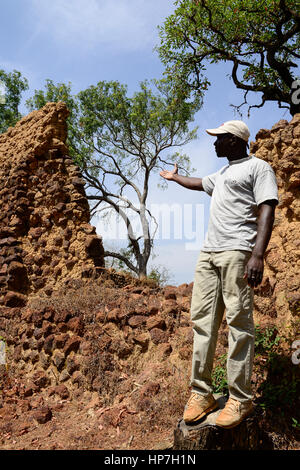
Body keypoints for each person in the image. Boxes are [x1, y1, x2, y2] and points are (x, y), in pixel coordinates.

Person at [160, 120, 278, 429]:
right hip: (209, 254)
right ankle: (202, 393)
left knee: (239, 322)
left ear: (235, 141)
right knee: (202, 323)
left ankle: (239, 396)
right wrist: (175, 178)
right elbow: (199, 183)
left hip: (238, 252)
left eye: (219, 138)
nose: (214, 143)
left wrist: (257, 254)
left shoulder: (259, 168)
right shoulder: (222, 174)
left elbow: (267, 208)